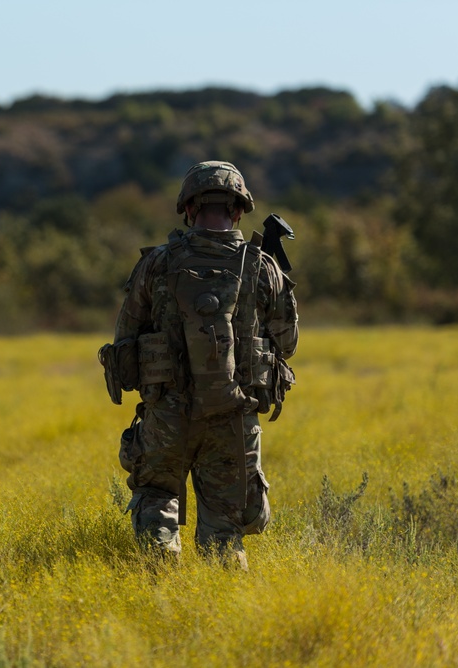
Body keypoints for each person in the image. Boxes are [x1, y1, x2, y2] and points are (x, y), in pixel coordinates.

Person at [98, 161, 298, 570]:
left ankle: (160, 602)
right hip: (233, 416)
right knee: (224, 532)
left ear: (188, 208)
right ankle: (223, 617)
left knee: (156, 506)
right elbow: (288, 344)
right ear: (239, 210)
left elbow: (125, 339)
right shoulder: (264, 267)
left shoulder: (156, 263)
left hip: (167, 414)